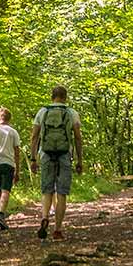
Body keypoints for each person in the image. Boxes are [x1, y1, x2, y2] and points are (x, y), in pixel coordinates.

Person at [30, 85, 83, 240]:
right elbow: (78, 138)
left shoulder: (43, 112)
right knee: (62, 193)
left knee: (47, 190)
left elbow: (34, 137)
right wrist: (80, 160)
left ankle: (45, 217)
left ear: (52, 96)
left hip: (46, 155)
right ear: (65, 97)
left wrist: (33, 159)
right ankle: (58, 230)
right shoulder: (71, 113)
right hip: (65, 155)